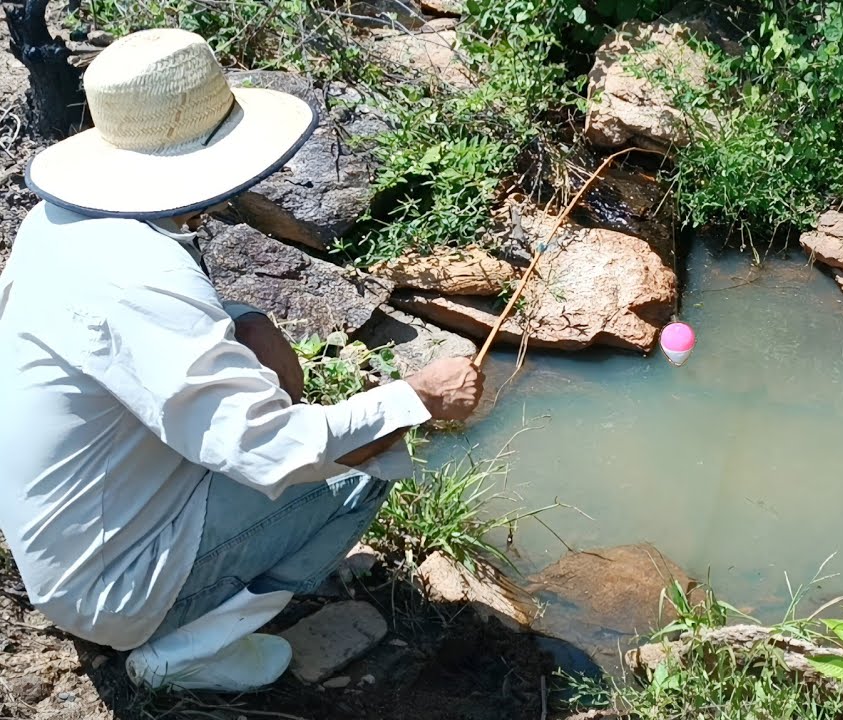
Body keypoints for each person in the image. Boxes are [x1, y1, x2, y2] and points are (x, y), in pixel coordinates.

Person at [0, 28, 485, 693]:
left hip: (65, 545)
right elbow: (269, 451)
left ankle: (210, 588)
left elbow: (125, 337)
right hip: (109, 590)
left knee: (341, 432)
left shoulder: (58, 225)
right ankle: (186, 653)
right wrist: (417, 401)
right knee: (369, 459)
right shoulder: (143, 277)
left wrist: (245, 320)